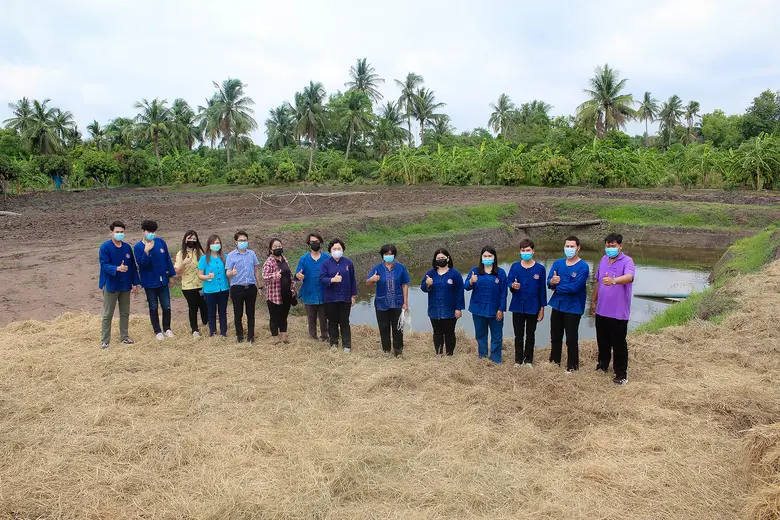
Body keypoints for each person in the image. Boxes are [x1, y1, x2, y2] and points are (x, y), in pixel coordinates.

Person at [591, 233, 635, 385]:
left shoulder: (627, 261)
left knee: (618, 344)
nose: (610, 248)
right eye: (608, 246)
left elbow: (629, 277)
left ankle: (621, 374)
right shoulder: (603, 260)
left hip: (618, 312)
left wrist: (614, 280)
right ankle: (602, 365)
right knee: (602, 341)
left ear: (620, 246)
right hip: (602, 310)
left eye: (613, 246)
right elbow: (598, 282)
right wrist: (593, 301)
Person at [547, 236, 590, 372]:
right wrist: (552, 282)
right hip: (557, 305)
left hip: (573, 307)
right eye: (567, 246)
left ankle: (572, 367)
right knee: (555, 336)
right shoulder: (558, 263)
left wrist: (556, 288)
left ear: (578, 248)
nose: (569, 249)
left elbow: (575, 288)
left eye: (572, 246)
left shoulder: (583, 266)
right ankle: (554, 363)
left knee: (571, 338)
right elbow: (548, 282)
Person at [507, 238, 547, 368]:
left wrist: (542, 308)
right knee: (518, 334)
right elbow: (508, 282)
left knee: (530, 334)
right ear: (520, 251)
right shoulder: (515, 266)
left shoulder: (540, 269)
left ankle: (528, 360)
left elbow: (542, 290)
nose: (525, 252)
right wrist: (513, 285)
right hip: (518, 306)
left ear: (533, 251)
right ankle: (518, 360)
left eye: (528, 250)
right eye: (523, 250)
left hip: (533, 307)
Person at [99, 220, 140, 349]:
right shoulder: (105, 247)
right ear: (111, 232)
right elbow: (104, 265)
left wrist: (135, 283)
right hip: (111, 285)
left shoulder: (127, 247)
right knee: (108, 314)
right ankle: (105, 340)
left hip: (125, 285)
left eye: (122, 232)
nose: (119, 234)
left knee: (125, 312)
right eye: (117, 232)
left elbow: (133, 266)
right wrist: (116, 268)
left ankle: (124, 337)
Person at [134, 220, 176, 341]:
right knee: (153, 306)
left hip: (163, 281)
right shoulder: (138, 247)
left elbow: (167, 259)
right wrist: (146, 251)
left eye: (153, 231)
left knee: (166, 305)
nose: (151, 234)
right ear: (143, 231)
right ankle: (157, 330)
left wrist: (171, 276)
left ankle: (167, 328)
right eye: (148, 231)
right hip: (149, 282)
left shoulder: (160, 242)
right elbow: (142, 264)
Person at [366, 244, 411, 357]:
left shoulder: (401, 268)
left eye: (391, 254)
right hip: (382, 303)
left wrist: (405, 302)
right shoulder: (377, 268)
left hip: (397, 302)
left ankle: (398, 350)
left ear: (394, 255)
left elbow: (405, 285)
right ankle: (386, 350)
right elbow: (367, 283)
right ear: (382, 255)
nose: (388, 256)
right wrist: (372, 279)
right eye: (386, 254)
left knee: (398, 327)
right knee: (383, 327)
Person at [465, 246, 508, 364]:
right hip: (478, 309)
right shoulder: (475, 271)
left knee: (497, 336)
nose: (487, 258)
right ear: (481, 257)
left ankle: (495, 360)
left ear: (494, 258)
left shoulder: (500, 273)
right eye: (485, 256)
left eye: (490, 256)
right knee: (480, 335)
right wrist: (471, 281)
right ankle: (483, 358)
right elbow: (466, 287)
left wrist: (501, 309)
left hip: (495, 310)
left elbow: (504, 293)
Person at [421, 248, 465, 357]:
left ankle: (449, 354)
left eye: (442, 258)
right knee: (437, 332)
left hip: (450, 309)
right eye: (438, 258)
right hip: (435, 309)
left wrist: (458, 308)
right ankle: (439, 353)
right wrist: (428, 284)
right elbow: (423, 288)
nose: (440, 260)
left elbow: (460, 292)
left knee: (449, 332)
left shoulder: (455, 274)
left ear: (448, 258)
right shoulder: (430, 273)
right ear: (435, 260)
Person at [319, 238, 358, 353]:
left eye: (339, 248)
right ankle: (334, 343)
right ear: (330, 250)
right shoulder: (325, 264)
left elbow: (352, 280)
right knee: (332, 322)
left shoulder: (348, 263)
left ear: (343, 250)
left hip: (345, 297)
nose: (337, 251)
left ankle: (347, 345)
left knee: (344, 322)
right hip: (330, 298)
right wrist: (332, 279)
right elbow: (322, 279)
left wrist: (353, 296)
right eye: (334, 249)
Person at [226, 231, 261, 344]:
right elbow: (227, 273)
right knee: (238, 313)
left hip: (250, 287)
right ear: (236, 242)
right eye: (241, 240)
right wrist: (232, 273)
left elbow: (256, 270)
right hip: (237, 288)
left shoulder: (252, 254)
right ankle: (239, 336)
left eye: (245, 240)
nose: (243, 242)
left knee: (250, 313)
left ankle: (251, 336)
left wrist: (259, 285)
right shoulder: (231, 255)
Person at [295, 233, 331, 342]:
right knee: (311, 317)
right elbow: (297, 273)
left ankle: (325, 336)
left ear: (321, 242)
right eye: (312, 242)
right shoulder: (304, 259)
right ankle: (313, 337)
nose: (315, 244)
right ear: (308, 244)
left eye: (316, 241)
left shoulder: (327, 257)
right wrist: (298, 275)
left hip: (324, 293)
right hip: (309, 293)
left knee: (324, 317)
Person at [262, 238, 297, 344]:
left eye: (279, 246)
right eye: (275, 247)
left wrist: (293, 289)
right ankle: (274, 338)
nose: (278, 248)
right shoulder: (269, 261)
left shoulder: (284, 259)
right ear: (271, 249)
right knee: (274, 317)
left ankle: (284, 337)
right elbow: (264, 276)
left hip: (286, 293)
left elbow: (290, 275)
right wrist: (275, 276)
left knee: (284, 316)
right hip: (274, 295)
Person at [174, 230, 208, 337]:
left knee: (204, 306)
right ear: (185, 240)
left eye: (194, 239)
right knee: (193, 307)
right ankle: (194, 329)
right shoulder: (181, 254)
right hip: (188, 287)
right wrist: (184, 264)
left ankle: (206, 325)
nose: (191, 241)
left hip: (202, 285)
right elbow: (177, 272)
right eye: (189, 239)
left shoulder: (201, 253)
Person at [198, 234, 230, 337]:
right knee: (211, 312)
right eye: (213, 243)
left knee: (222, 312)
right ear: (209, 245)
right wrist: (207, 277)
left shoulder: (225, 257)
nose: (215, 245)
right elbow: (200, 275)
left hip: (223, 289)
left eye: (217, 243)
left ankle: (223, 332)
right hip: (210, 290)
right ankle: (213, 332)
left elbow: (228, 272)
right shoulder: (204, 259)